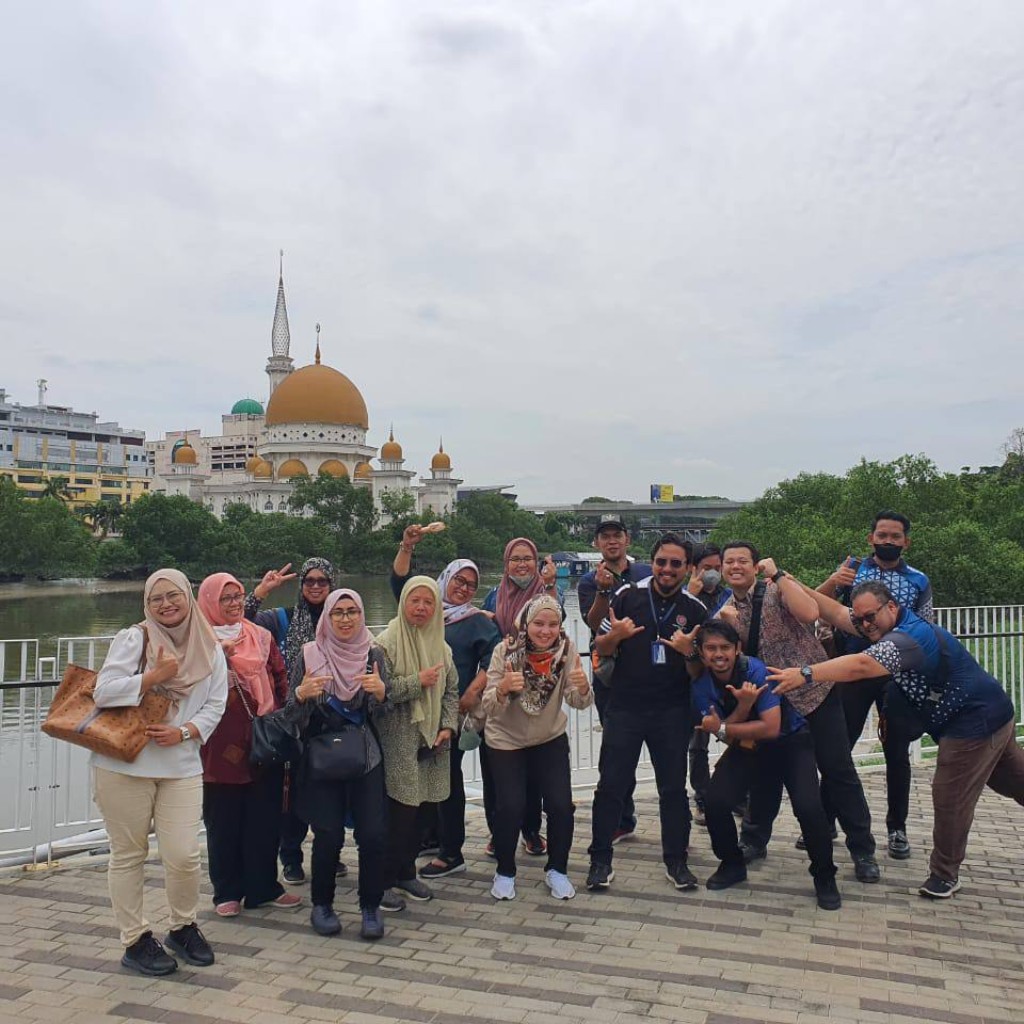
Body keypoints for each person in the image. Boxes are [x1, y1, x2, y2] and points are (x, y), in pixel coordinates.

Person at [770, 580, 1024, 899]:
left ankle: (944, 874)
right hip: (988, 715)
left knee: (949, 795)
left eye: (869, 617)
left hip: (974, 722)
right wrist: (785, 577)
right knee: (1014, 781)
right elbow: (834, 611)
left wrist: (805, 674)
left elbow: (862, 665)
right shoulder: (879, 623)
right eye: (860, 619)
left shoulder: (911, 637)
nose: (864, 624)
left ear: (891, 607)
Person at [91, 569, 227, 976]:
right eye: (156, 599)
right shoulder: (135, 638)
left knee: (184, 854)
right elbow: (102, 690)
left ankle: (182, 926)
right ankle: (135, 940)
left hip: (181, 764)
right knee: (129, 854)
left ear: (189, 596)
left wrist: (184, 731)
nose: (166, 605)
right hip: (124, 764)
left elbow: (215, 704)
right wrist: (152, 677)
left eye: (174, 596)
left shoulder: (210, 646)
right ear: (147, 605)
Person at [718, 543, 880, 883]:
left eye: (742, 560)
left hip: (815, 694)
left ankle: (862, 849)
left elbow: (810, 613)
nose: (736, 566)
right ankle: (753, 839)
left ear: (755, 565)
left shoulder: (777, 588)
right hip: (772, 703)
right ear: (721, 568)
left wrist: (778, 574)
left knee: (838, 771)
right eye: (729, 561)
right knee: (765, 774)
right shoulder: (726, 610)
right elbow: (719, 657)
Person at [586, 533, 707, 893]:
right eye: (661, 562)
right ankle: (600, 860)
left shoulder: (697, 611)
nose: (667, 570)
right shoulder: (628, 596)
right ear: (652, 563)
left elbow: (700, 671)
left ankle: (676, 861)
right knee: (610, 785)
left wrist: (689, 652)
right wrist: (616, 636)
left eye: (675, 563)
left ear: (687, 568)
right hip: (625, 705)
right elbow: (599, 645)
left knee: (672, 789)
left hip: (672, 710)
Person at [692, 621, 841, 910]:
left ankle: (824, 874)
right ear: (701, 652)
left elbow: (770, 728)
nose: (718, 654)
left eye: (725, 647)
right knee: (716, 801)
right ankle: (731, 863)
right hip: (748, 747)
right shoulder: (701, 686)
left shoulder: (756, 671)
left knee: (809, 807)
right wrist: (744, 709)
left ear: (737, 649)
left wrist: (723, 726)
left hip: (791, 742)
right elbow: (726, 733)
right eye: (711, 648)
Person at [816, 511, 934, 860]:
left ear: (906, 542)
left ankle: (896, 828)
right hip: (853, 670)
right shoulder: (852, 572)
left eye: (895, 536)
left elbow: (927, 626)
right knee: (838, 749)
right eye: (882, 534)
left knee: (896, 753)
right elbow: (818, 609)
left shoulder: (918, 580)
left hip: (895, 672)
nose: (888, 541)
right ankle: (824, 822)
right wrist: (833, 579)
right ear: (871, 538)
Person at [391, 531, 503, 877]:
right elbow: (400, 582)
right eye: (459, 580)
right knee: (421, 772)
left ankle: (452, 851)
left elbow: (496, 658)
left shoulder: (477, 622)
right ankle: (430, 836)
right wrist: (406, 547)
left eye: (471, 584)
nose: (464, 588)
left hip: (450, 712)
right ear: (446, 579)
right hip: (413, 708)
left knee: (447, 778)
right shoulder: (426, 610)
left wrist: (472, 693)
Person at [197, 573, 300, 918]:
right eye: (225, 598)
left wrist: (283, 720)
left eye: (238, 596)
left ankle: (263, 887)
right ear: (210, 602)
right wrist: (216, 660)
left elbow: (280, 677)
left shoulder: (261, 635)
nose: (234, 604)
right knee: (224, 818)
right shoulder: (198, 642)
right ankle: (226, 890)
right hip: (219, 743)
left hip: (263, 738)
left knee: (264, 817)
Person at [289, 589, 390, 939]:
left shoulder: (373, 654)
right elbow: (292, 712)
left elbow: (384, 712)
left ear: (361, 616)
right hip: (322, 756)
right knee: (328, 834)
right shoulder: (309, 654)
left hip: (365, 755)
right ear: (327, 618)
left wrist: (380, 694)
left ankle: (370, 906)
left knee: (373, 834)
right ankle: (322, 904)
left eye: (352, 612)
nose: (346, 619)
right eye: (338, 613)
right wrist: (302, 696)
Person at [482, 595, 594, 901]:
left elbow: (577, 701)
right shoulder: (504, 651)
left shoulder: (567, 651)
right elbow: (489, 705)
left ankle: (557, 869)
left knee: (560, 805)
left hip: (548, 737)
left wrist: (583, 687)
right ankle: (505, 871)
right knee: (511, 806)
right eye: (538, 623)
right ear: (526, 623)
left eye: (552, 624)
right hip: (506, 738)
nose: (545, 631)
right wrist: (504, 688)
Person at [244, 557, 335, 884]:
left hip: (330, 719)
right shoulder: (280, 619)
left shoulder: (341, 617)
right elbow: (240, 621)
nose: (314, 586)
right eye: (309, 581)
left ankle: (328, 851)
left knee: (328, 790)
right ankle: (292, 857)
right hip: (292, 719)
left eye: (321, 581)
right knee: (292, 793)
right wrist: (260, 592)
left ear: (331, 584)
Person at [373, 576, 459, 910]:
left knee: (423, 812)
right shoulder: (385, 643)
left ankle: (406, 872)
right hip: (398, 740)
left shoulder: (442, 645)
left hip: (433, 741)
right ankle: (381, 881)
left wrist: (449, 726)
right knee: (398, 814)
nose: (421, 608)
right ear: (403, 603)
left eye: (428, 602)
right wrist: (416, 682)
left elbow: (451, 690)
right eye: (415, 601)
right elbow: (380, 695)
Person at [480, 536, 560, 856]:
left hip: (536, 688)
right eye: (515, 559)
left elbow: (557, 630)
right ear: (506, 563)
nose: (522, 564)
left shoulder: (545, 595)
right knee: (495, 768)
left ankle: (531, 830)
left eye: (528, 558)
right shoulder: (492, 596)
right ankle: (498, 833)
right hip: (499, 685)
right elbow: (484, 639)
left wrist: (552, 587)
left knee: (533, 769)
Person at [576, 514, 651, 842]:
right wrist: (603, 593)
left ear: (627, 540)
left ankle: (675, 826)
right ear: (596, 543)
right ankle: (621, 817)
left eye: (616, 534)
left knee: (659, 747)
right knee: (615, 750)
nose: (611, 541)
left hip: (649, 671)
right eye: (604, 536)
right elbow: (593, 624)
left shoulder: (646, 573)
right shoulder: (589, 582)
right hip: (610, 675)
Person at [684, 543, 731, 825]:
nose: (713, 573)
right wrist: (692, 595)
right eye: (706, 568)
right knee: (698, 742)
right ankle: (701, 796)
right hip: (696, 678)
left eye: (717, 567)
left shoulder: (729, 596)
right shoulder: (686, 597)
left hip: (727, 677)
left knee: (737, 737)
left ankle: (735, 793)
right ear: (694, 569)